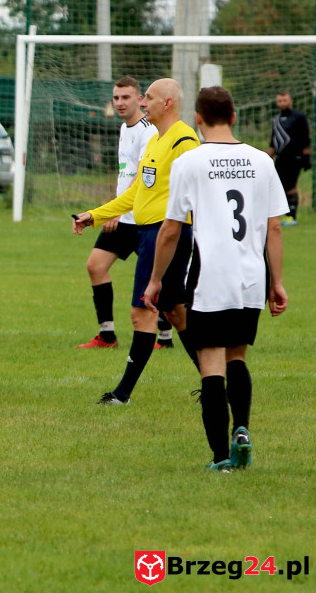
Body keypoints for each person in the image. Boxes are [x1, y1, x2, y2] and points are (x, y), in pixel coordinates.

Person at [143, 86, 288, 471]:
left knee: (211, 363)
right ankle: (241, 428)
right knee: (237, 354)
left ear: (199, 120)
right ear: (235, 116)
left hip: (209, 277)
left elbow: (171, 230)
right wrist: (277, 282)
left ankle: (221, 458)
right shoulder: (261, 161)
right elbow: (274, 228)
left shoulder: (190, 162)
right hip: (251, 277)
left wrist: (156, 279)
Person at [72, 78, 199, 405]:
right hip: (151, 234)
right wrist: (95, 215)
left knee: (142, 312)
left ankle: (122, 394)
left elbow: (200, 196)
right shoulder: (156, 141)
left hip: (164, 235)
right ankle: (214, 382)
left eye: (150, 99)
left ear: (168, 103)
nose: (144, 104)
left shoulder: (184, 141)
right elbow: (135, 194)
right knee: (175, 313)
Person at [78, 76, 164, 349]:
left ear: (140, 99)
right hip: (124, 215)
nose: (120, 103)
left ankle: (164, 336)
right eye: (116, 98)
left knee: (162, 279)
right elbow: (124, 174)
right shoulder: (124, 129)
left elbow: (139, 177)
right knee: (95, 266)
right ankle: (107, 335)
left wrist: (112, 212)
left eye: (126, 97)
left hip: (142, 218)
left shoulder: (148, 130)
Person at [267, 90, 311, 226]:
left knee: (290, 186)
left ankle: (292, 217)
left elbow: (305, 138)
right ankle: (282, 215)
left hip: (295, 157)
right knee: (278, 186)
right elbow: (273, 142)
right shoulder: (276, 120)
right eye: (279, 100)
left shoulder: (299, 117)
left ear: (290, 101)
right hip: (280, 159)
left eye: (284, 100)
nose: (282, 103)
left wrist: (306, 157)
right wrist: (267, 157)